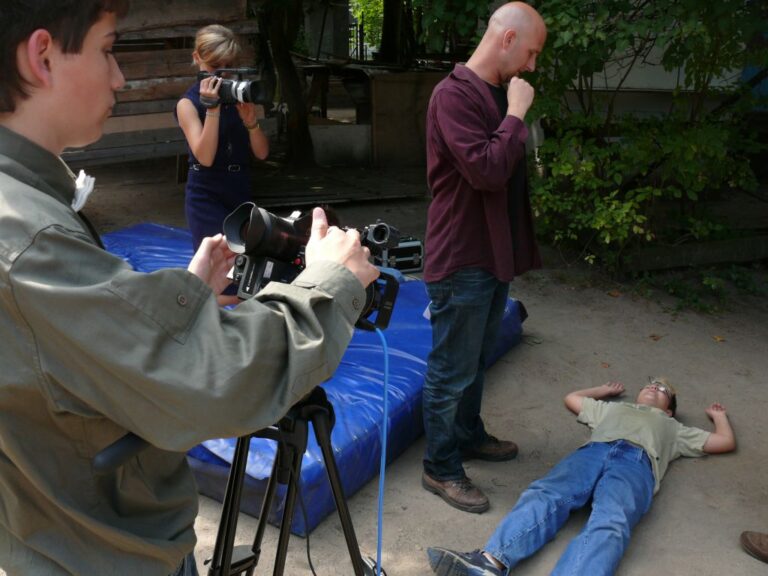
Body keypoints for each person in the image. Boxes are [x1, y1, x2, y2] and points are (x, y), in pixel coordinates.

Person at [0, 2, 379, 575]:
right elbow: (214, 382)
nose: (120, 76)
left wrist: (185, 291)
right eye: (107, 49)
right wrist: (331, 283)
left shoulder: (22, 204)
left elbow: (60, 354)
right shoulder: (29, 239)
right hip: (103, 549)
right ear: (43, 55)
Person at [421, 1, 547, 513]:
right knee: (450, 370)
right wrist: (516, 115)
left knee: (475, 361)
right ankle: (440, 467)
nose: (532, 67)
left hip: (492, 253)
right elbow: (487, 171)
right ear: (507, 39)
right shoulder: (452, 95)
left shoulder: (495, 90)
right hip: (461, 254)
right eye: (531, 53)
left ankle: (469, 435)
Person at [427, 378, 737, 576]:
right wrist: (603, 391)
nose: (655, 387)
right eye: (650, 384)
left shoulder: (674, 428)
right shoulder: (613, 411)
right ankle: (489, 563)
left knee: (611, 522)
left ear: (670, 410)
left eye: (663, 390)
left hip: (637, 465)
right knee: (546, 493)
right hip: (593, 452)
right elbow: (573, 398)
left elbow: (723, 442)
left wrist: (720, 418)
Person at [175, 24, 270, 252]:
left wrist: (251, 123)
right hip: (206, 192)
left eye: (229, 66)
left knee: (243, 264)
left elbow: (262, 153)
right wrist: (212, 108)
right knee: (217, 264)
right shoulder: (187, 104)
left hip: (238, 187)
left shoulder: (237, 95)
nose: (222, 74)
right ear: (197, 58)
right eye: (215, 66)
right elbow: (205, 157)